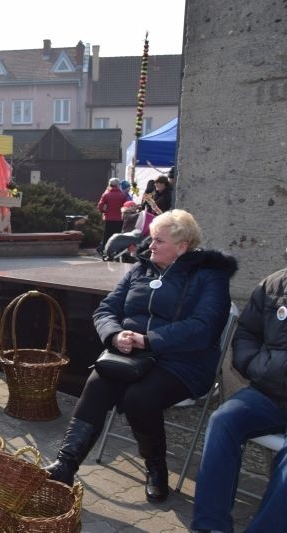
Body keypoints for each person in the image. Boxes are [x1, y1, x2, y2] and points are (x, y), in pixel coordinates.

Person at [43, 210, 237, 503]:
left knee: (139, 398)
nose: (150, 246)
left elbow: (204, 328)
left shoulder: (210, 276)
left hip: (184, 362)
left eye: (159, 241)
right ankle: (65, 465)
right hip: (131, 355)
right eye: (152, 239)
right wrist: (114, 335)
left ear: (182, 246)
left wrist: (150, 340)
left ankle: (156, 468)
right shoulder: (140, 269)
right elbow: (106, 310)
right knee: (97, 383)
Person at [191, 268, 287, 533]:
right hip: (269, 393)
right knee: (223, 420)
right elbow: (246, 332)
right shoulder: (273, 284)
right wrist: (258, 367)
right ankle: (211, 525)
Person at [96, 177, 126, 254]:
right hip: (120, 219)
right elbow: (126, 207)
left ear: (110, 184)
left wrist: (103, 211)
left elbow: (100, 206)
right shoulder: (122, 195)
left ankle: (105, 250)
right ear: (118, 185)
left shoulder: (106, 194)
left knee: (107, 235)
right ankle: (117, 251)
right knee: (117, 235)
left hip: (109, 218)